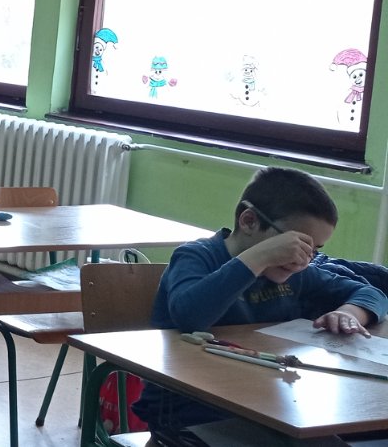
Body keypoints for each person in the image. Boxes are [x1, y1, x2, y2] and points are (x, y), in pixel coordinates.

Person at [133, 167, 387, 446]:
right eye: (295, 243)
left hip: (267, 409)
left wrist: (349, 312)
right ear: (249, 221)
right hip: (189, 414)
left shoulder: (297, 274)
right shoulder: (197, 256)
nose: (303, 259)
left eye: (313, 250)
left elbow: (370, 292)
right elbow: (191, 316)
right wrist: (259, 258)